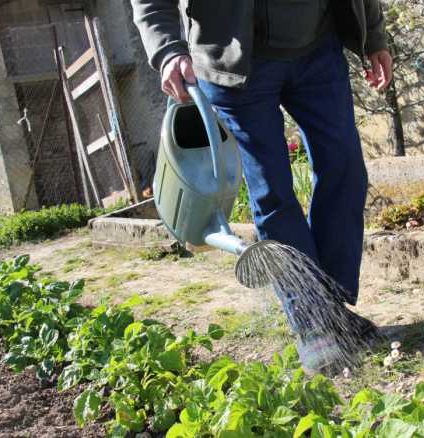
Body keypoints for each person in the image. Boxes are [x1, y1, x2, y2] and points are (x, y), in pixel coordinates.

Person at [131, 0, 393, 372]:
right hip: (233, 60)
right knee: (272, 192)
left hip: (318, 45)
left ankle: (332, 309)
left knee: (346, 170)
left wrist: (374, 38)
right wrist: (168, 49)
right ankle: (315, 324)